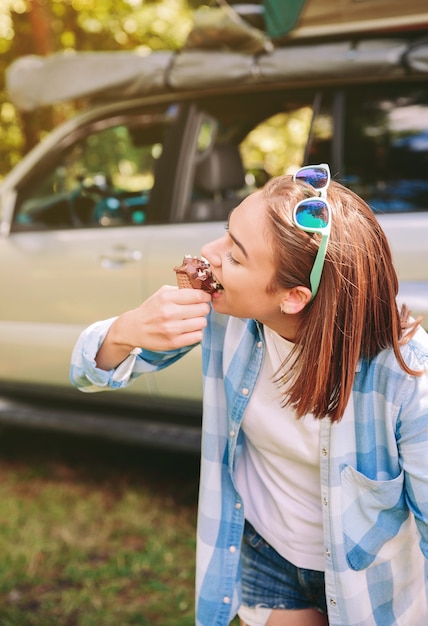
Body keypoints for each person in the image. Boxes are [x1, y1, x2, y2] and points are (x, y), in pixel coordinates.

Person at [70, 164, 428, 626]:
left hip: (366, 584)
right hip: (266, 553)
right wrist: (124, 331)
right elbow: (90, 374)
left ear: (293, 297)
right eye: (225, 233)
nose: (208, 253)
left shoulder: (405, 379)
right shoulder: (224, 314)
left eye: (235, 257)